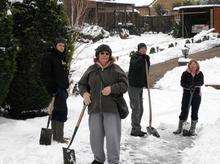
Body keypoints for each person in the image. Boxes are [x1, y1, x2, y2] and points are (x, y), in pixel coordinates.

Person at [78, 44, 128, 164]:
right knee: (95, 137)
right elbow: (82, 84)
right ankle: (98, 159)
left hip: (111, 109)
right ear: (97, 55)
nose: (104, 55)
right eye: (102, 53)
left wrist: (112, 89)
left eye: (107, 53)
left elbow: (125, 85)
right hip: (94, 108)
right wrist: (85, 93)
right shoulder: (91, 69)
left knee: (112, 137)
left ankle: (113, 161)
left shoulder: (116, 69)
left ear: (110, 55)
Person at [40, 37, 69, 143]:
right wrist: (51, 88)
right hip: (56, 88)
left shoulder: (62, 57)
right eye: (60, 45)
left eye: (63, 45)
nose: (62, 47)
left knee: (57, 111)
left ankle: (56, 135)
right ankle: (58, 136)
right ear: (55, 45)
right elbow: (45, 74)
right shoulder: (49, 56)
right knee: (61, 111)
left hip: (62, 88)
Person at [173, 59, 204, 136]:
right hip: (187, 95)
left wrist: (194, 85)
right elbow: (182, 83)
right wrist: (189, 86)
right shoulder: (185, 73)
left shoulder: (200, 73)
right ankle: (180, 129)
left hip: (196, 95)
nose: (193, 66)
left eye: (195, 64)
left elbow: (201, 82)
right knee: (184, 111)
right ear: (189, 65)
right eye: (191, 64)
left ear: (197, 66)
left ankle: (192, 130)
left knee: (194, 112)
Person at [128, 43, 150, 137]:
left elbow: (145, 71)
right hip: (133, 86)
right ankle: (135, 130)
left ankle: (137, 127)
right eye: (141, 49)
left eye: (145, 48)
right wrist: (142, 57)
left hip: (140, 86)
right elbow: (135, 66)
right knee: (136, 108)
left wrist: (146, 83)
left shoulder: (146, 58)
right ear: (138, 49)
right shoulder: (135, 57)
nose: (143, 50)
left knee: (141, 109)